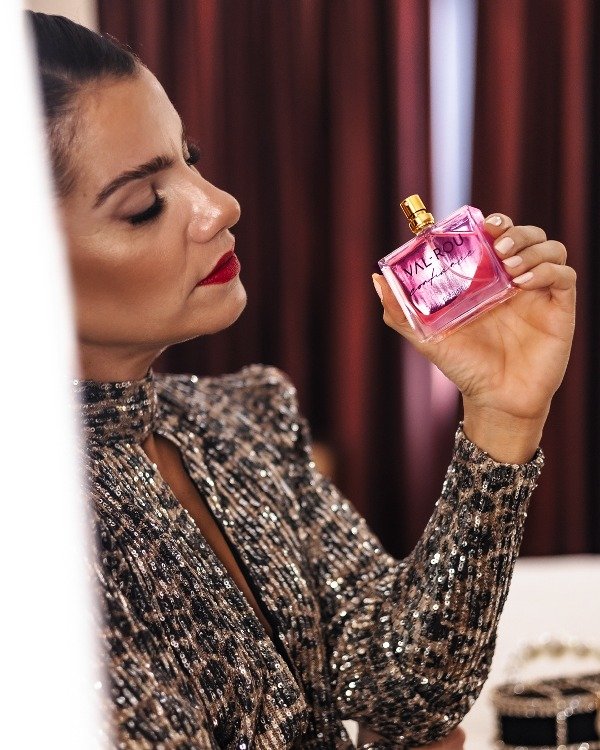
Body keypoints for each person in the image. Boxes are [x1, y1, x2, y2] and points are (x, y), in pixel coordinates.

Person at [27, 11, 576, 750]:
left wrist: (503, 417)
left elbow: (403, 689)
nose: (221, 205)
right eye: (144, 205)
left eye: (190, 158)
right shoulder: (31, 541)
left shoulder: (244, 420)